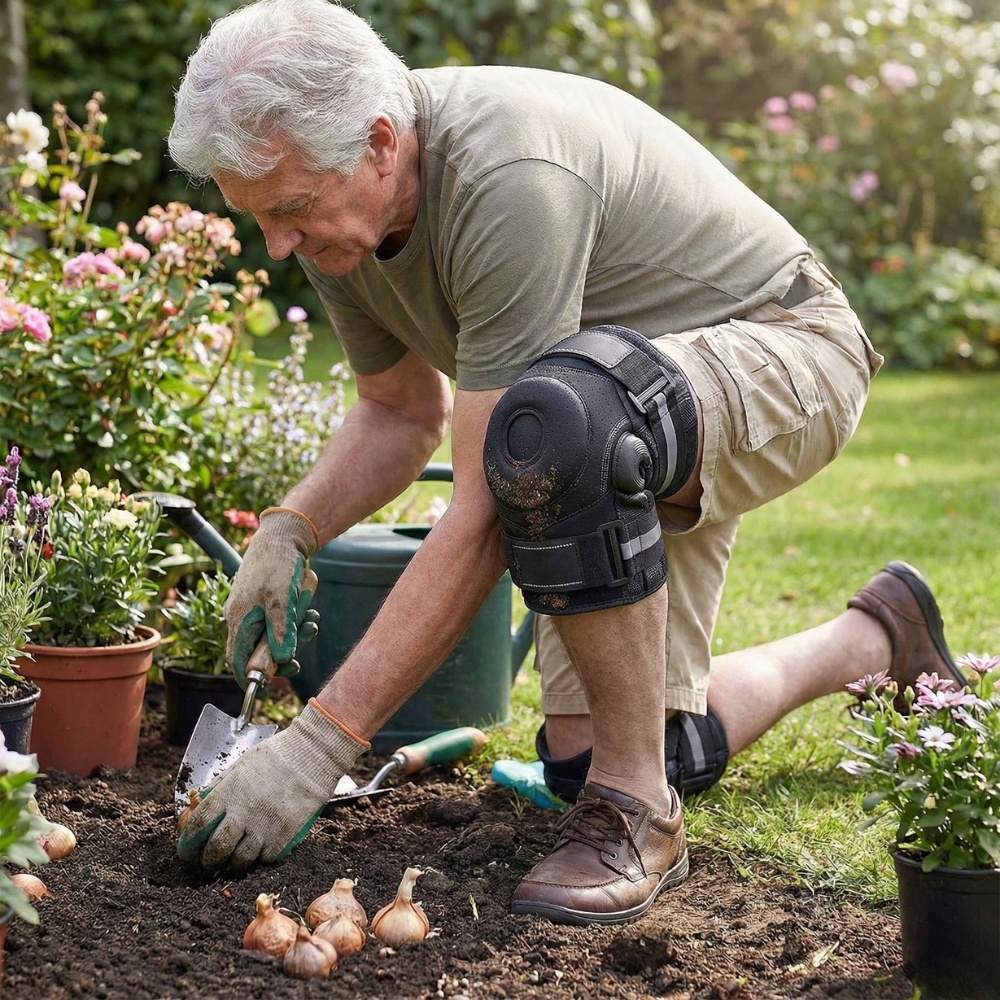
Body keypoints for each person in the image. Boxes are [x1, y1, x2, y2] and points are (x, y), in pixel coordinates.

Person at [168, 0, 967, 926]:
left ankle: (640, 811)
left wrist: (316, 751)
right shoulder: (338, 209)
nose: (278, 244)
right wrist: (289, 527)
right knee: (578, 759)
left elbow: (483, 514)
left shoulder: (507, 173)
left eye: (292, 210)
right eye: (262, 216)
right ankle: (874, 638)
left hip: (783, 350)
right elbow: (399, 413)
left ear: (379, 142)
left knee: (547, 431)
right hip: (617, 408)